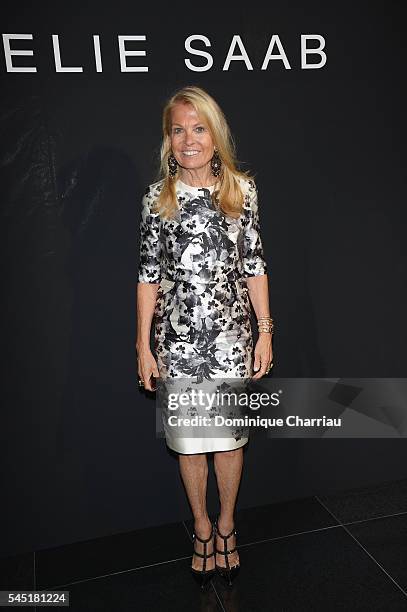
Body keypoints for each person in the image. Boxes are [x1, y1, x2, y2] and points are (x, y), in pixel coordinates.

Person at [136, 85, 274, 588]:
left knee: (229, 441)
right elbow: (148, 273)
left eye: (199, 128)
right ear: (168, 139)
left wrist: (264, 332)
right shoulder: (158, 197)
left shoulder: (241, 190)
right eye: (178, 130)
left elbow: (255, 264)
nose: (188, 139)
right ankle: (200, 527)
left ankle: (228, 525)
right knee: (190, 443)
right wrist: (142, 346)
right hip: (176, 342)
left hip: (231, 339)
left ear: (215, 136)